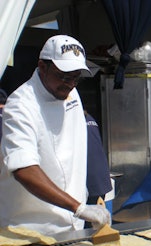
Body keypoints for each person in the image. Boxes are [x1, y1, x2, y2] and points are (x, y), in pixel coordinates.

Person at [0, 35, 110, 235]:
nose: (70, 84)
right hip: (30, 231)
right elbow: (24, 169)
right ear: (43, 67)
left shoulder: (70, 92)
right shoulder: (21, 106)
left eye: (76, 77)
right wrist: (79, 208)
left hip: (71, 226)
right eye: (64, 76)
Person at [85, 111, 112, 227]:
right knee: (96, 222)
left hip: (91, 181)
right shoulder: (90, 119)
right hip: (100, 179)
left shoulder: (76, 123)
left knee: (88, 225)